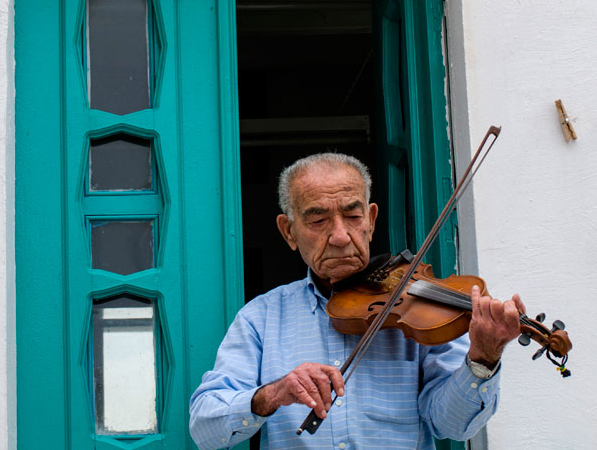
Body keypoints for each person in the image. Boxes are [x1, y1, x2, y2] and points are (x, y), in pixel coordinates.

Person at [189, 152, 524, 450]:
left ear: (371, 220)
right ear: (288, 231)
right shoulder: (261, 317)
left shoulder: (421, 314)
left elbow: (451, 426)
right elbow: (205, 427)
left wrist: (483, 357)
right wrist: (273, 394)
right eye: (318, 220)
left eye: (353, 216)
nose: (339, 236)